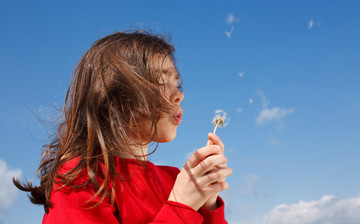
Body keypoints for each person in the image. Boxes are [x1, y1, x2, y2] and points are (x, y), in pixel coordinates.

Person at [14, 31, 232, 223]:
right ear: (115, 99)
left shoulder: (173, 179)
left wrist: (208, 203)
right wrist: (182, 206)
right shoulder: (80, 178)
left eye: (177, 83)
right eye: (160, 82)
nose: (179, 95)